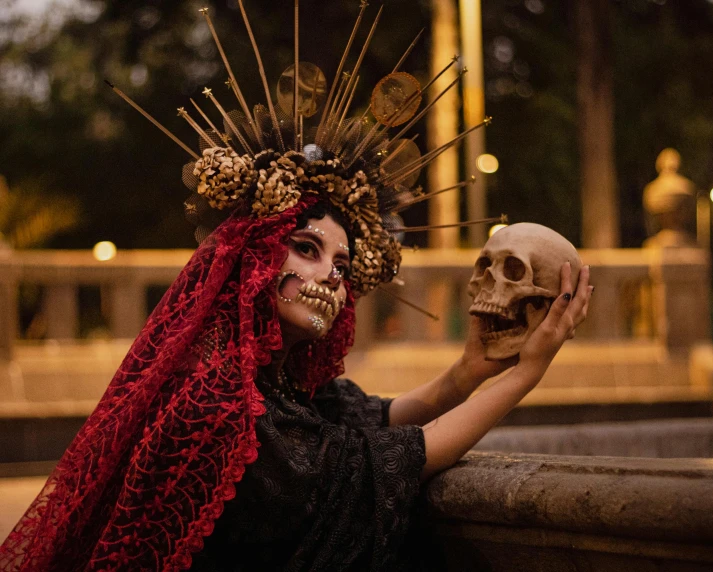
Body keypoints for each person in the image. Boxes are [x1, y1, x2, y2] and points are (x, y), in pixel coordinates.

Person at [0, 5, 592, 570]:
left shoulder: (278, 384)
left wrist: (471, 369)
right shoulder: (217, 402)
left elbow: (382, 421)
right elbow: (393, 461)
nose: (330, 276)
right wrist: (526, 374)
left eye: (342, 262)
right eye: (306, 249)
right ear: (253, 258)